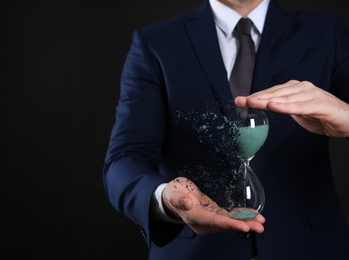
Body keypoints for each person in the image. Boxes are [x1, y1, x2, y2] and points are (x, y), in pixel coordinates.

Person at [103, 0, 349, 259]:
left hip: (309, 245)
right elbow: (125, 158)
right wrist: (166, 198)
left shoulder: (325, 31)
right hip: (196, 250)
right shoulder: (156, 43)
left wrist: (345, 115)